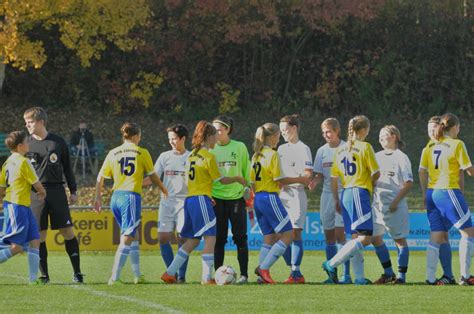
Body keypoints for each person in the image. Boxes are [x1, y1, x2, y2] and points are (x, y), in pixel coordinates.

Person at [161, 121, 247, 284]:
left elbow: (190, 181)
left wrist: (205, 195)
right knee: (211, 238)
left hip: (190, 200)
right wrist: (238, 178)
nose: (216, 139)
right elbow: (221, 180)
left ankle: (170, 272)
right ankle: (207, 278)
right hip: (201, 200)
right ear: (209, 137)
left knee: (193, 240)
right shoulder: (209, 156)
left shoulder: (192, 154)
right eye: (215, 135)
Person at [94, 122, 168, 285]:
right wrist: (162, 187)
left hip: (115, 198)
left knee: (132, 235)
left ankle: (137, 274)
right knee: (128, 237)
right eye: (139, 136)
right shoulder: (141, 152)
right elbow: (153, 176)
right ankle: (114, 276)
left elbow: (100, 177)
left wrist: (98, 198)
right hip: (130, 197)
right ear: (135, 136)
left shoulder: (113, 152)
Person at [24, 107, 83, 284]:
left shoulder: (58, 142)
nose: (27, 125)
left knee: (67, 231)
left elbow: (67, 168)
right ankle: (44, 276)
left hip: (57, 192)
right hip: (36, 195)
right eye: (26, 122)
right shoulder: (26, 144)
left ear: (41, 121)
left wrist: (73, 191)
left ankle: (77, 273)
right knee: (39, 236)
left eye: (31, 122)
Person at [322, 115, 380, 285]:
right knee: (365, 238)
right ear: (363, 130)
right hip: (359, 192)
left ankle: (360, 278)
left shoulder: (340, 150)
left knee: (355, 237)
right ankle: (331, 264)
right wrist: (371, 184)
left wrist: (336, 200)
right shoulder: (365, 147)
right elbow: (376, 172)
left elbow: (333, 178)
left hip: (345, 193)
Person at [251, 123, 311, 284]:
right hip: (270, 198)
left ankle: (261, 274)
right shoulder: (272, 154)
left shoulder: (256, 155)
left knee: (269, 236)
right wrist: (300, 179)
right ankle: (263, 268)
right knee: (289, 234)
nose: (279, 139)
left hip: (258, 198)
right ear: (272, 136)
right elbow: (280, 180)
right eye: (278, 135)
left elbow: (252, 182)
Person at [419, 113, 474, 286]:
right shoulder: (457, 144)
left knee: (437, 236)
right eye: (458, 127)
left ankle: (430, 277)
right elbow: (469, 170)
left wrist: (423, 194)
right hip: (448, 191)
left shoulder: (429, 146)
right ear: (455, 127)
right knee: (468, 233)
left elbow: (422, 171)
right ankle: (465, 276)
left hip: (432, 193)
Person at [0, 131, 47, 284]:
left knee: (35, 240)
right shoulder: (23, 161)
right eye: (27, 141)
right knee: (17, 247)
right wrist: (42, 192)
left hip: (21, 206)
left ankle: (33, 280)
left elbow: (1, 187)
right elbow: (36, 184)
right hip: (17, 205)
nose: (29, 143)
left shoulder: (7, 162)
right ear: (20, 146)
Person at [145, 124, 190, 283]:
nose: (171, 142)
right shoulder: (164, 156)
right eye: (169, 139)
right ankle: (173, 273)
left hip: (185, 202)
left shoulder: (191, 157)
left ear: (183, 139)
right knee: (163, 238)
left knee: (183, 238)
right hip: (167, 202)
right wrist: (133, 183)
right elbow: (153, 177)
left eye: (174, 139)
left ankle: (182, 276)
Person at [309, 118, 351, 284]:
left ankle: (346, 275)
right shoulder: (322, 151)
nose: (326, 135)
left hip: (343, 194)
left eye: (329, 132)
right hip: (326, 195)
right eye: (323, 132)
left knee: (341, 235)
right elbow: (319, 174)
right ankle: (331, 275)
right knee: (329, 236)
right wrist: (314, 182)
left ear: (337, 131)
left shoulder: (347, 148)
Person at [211, 115, 251, 284]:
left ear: (227, 129)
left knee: (240, 237)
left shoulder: (240, 147)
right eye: (214, 130)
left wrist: (248, 188)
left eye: (219, 129)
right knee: (218, 238)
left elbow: (246, 170)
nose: (216, 133)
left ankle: (244, 275)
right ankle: (217, 275)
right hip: (216, 199)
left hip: (236, 199)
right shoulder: (210, 149)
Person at [371, 125, 413, 284]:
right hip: (377, 206)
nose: (381, 138)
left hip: (395, 206)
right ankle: (388, 273)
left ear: (394, 136)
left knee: (399, 241)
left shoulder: (401, 157)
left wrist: (396, 202)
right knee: (375, 238)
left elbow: (408, 183)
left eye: (384, 135)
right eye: (379, 136)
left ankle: (402, 277)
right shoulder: (376, 156)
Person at [423, 116, 461, 284]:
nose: (432, 132)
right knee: (443, 235)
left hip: (442, 194)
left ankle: (439, 277)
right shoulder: (429, 147)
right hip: (439, 195)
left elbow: (458, 171)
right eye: (429, 129)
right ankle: (454, 275)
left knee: (440, 235)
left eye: (434, 128)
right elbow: (421, 171)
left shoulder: (443, 146)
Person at [277, 115, 313, 284]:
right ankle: (293, 268)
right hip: (281, 195)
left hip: (297, 195)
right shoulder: (280, 149)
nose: (283, 133)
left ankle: (296, 273)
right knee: (279, 235)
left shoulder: (303, 148)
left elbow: (307, 176)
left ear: (295, 128)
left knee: (295, 232)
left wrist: (290, 180)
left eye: (286, 129)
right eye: (281, 130)